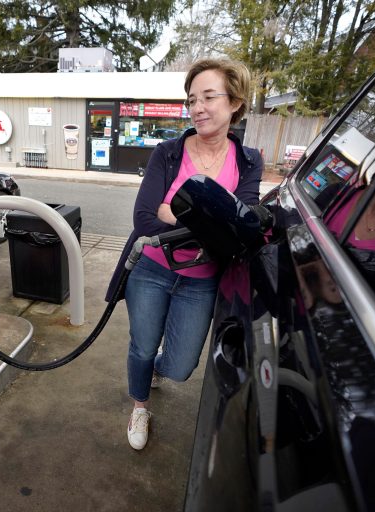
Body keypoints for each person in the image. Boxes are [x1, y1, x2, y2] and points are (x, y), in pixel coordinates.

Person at [105, 58, 263, 450]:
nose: (198, 108)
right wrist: (210, 223)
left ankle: (155, 370)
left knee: (179, 366)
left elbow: (239, 232)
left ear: (235, 102)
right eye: (192, 99)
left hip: (201, 282)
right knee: (142, 345)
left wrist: (174, 210)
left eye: (209, 97)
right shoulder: (167, 152)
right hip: (152, 270)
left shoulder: (248, 161)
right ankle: (140, 404)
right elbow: (145, 219)